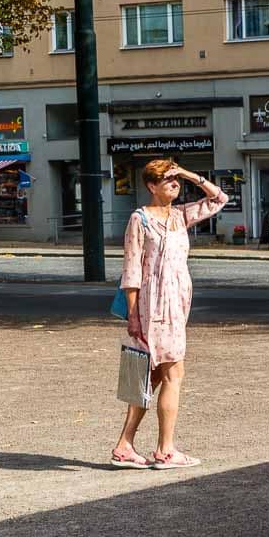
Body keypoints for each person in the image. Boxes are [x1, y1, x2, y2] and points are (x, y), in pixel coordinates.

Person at [110, 159, 229, 470]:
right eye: (168, 180)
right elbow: (131, 270)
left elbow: (219, 199)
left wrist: (190, 174)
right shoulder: (140, 219)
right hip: (153, 307)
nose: (175, 185)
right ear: (151, 186)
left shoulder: (180, 215)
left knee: (150, 375)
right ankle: (166, 449)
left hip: (177, 305)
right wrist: (134, 315)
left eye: (177, 181)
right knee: (173, 374)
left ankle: (125, 445)